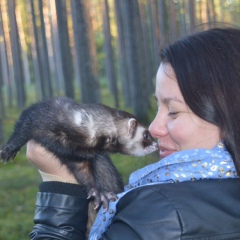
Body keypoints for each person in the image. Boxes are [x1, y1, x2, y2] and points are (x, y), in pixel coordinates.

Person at [27, 27, 240, 240]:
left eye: (173, 111)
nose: (155, 128)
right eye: (158, 107)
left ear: (229, 115)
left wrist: (59, 184)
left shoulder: (160, 217)